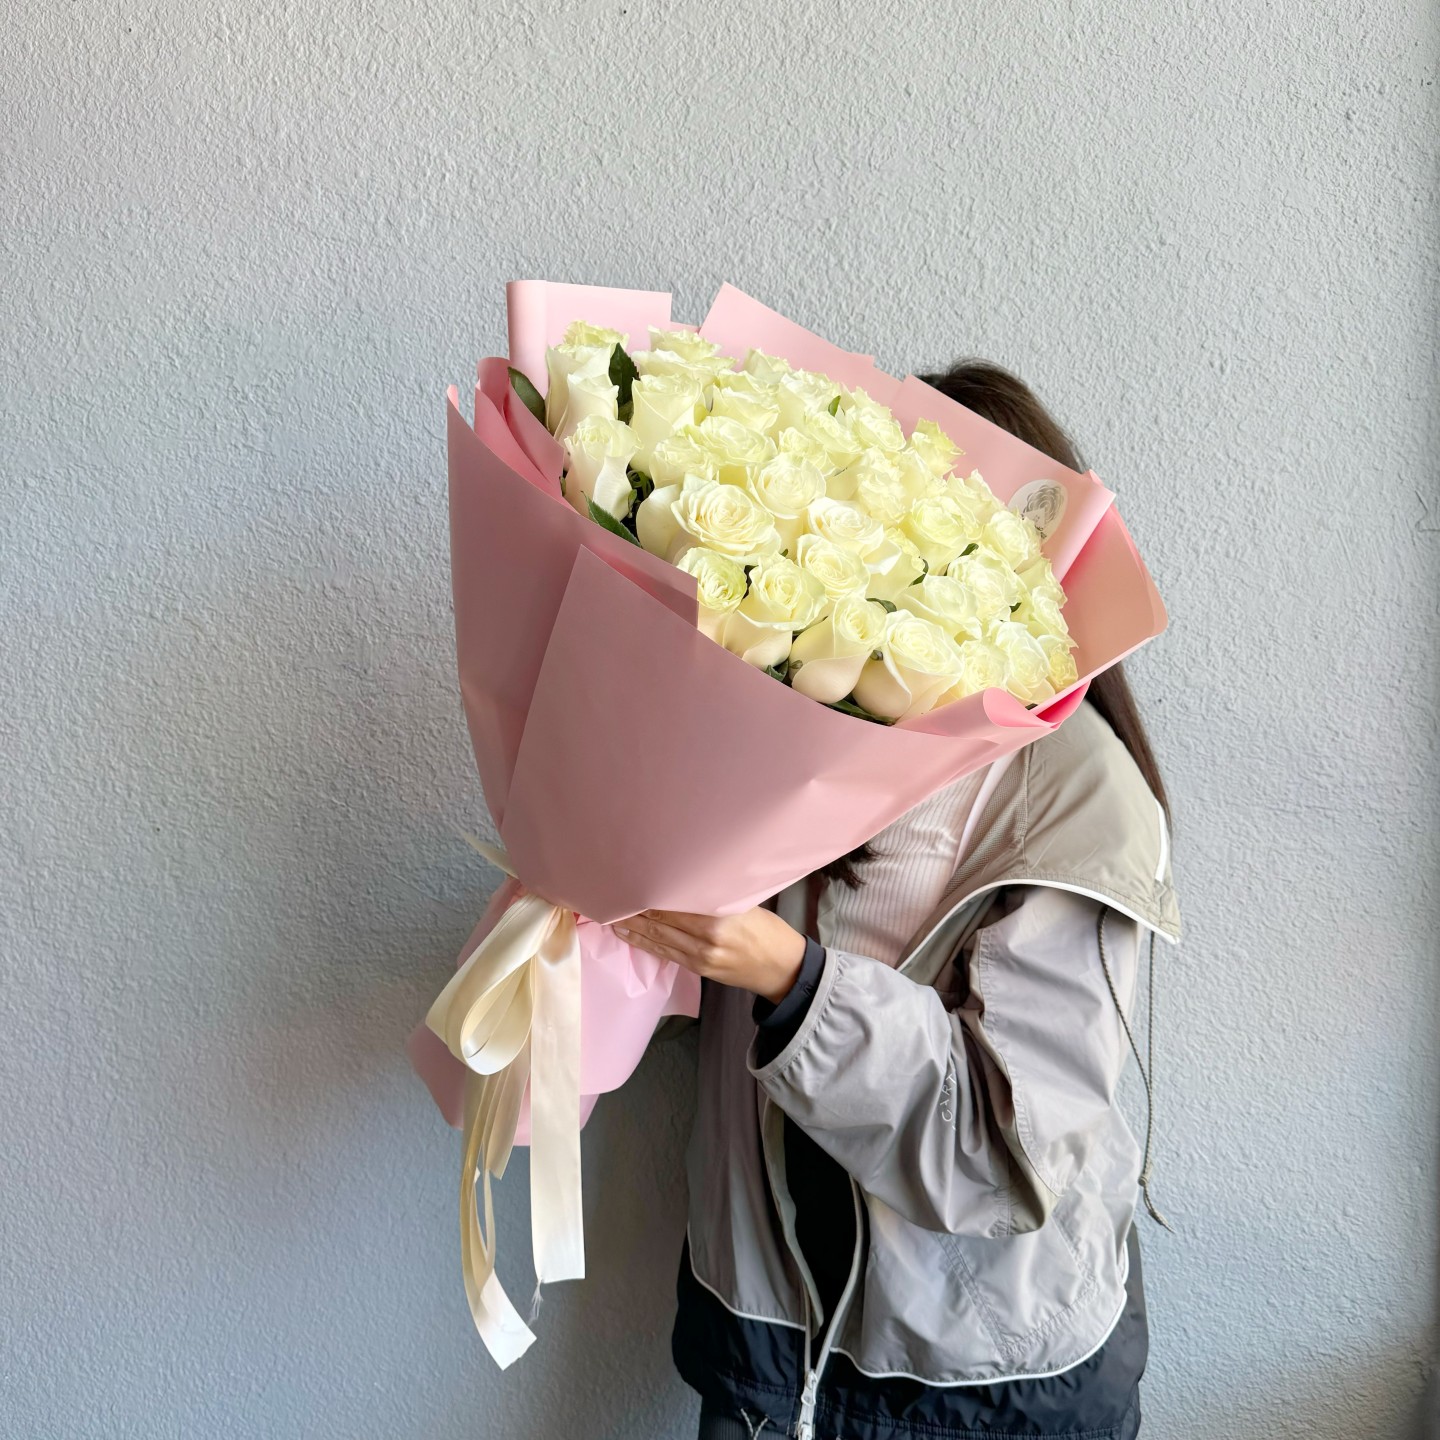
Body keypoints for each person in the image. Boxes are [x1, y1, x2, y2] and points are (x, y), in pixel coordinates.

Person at [613, 361, 1181, 1440]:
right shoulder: (794, 712)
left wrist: (789, 979)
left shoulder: (1079, 805)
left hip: (977, 1384)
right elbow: (696, 1011)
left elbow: (997, 1154)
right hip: (768, 1337)